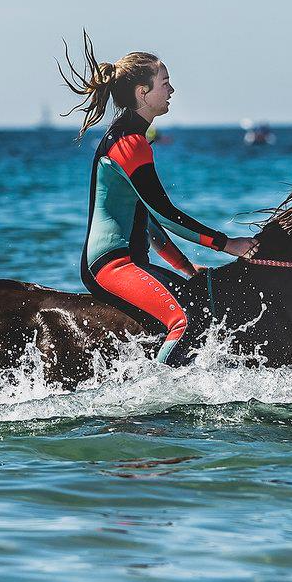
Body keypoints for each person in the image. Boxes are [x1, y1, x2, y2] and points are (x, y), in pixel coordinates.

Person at [59, 34, 256, 365]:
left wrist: (185, 267)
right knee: (185, 322)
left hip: (132, 261)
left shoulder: (135, 139)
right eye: (165, 83)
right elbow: (163, 214)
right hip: (110, 265)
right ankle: (159, 398)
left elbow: (146, 220)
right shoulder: (128, 143)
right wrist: (227, 244)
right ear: (143, 93)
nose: (172, 91)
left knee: (202, 305)